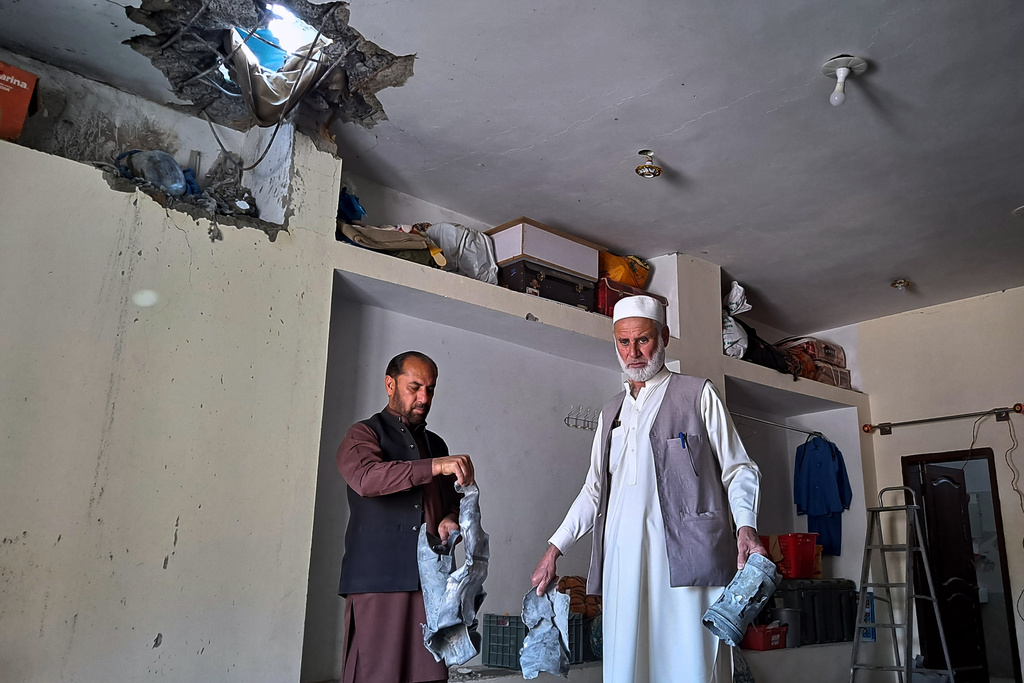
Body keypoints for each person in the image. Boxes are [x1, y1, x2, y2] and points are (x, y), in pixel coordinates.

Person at [530, 296, 766, 682]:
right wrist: (554, 550)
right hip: (624, 560)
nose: (633, 352)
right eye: (624, 342)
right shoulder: (611, 413)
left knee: (689, 661)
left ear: (664, 337)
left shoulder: (697, 394)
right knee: (629, 663)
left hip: (688, 558)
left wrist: (746, 526)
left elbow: (739, 468)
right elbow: (593, 491)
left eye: (643, 340)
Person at [336, 351, 475, 683]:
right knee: (376, 674)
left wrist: (449, 519)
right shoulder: (363, 435)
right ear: (389, 384)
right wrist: (434, 466)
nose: (423, 398)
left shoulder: (436, 444)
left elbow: (452, 499)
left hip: (430, 585)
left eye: (430, 389)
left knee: (428, 675)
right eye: (414, 387)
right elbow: (367, 479)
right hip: (377, 582)